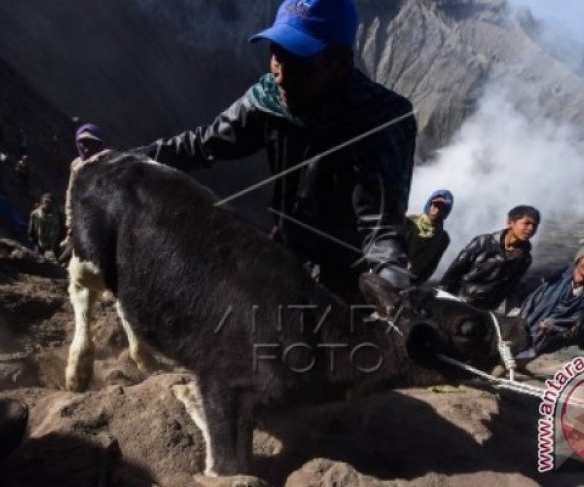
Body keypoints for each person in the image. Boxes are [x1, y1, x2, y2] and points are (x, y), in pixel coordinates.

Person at [139, 0, 416, 301]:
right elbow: (203, 145)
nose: (281, 75)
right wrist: (131, 158)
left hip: (349, 281)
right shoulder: (269, 100)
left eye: (299, 63)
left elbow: (381, 227)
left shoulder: (380, 122)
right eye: (276, 57)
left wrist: (393, 297)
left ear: (341, 63)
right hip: (288, 256)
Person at [515, 238, 584, 362]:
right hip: (518, 324)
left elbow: (571, 318)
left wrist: (552, 326)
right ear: (579, 258)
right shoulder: (553, 274)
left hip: (541, 338)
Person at [438, 205, 540, 310]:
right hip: (457, 301)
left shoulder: (524, 259)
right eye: (526, 223)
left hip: (482, 311)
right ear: (510, 223)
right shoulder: (483, 242)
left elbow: (508, 288)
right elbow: (454, 271)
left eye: (534, 225)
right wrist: (441, 299)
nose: (531, 228)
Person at [61, 123, 107, 249]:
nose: (86, 148)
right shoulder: (76, 165)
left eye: (91, 143)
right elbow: (71, 195)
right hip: (81, 220)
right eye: (83, 143)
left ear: (99, 145)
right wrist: (70, 226)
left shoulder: (108, 164)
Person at [405, 189, 453, 285]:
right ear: (429, 204)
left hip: (411, 282)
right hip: (392, 273)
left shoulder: (443, 239)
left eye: (442, 208)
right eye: (435, 205)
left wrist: (416, 285)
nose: (438, 210)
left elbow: (432, 266)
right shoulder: (410, 222)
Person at [28, 193, 62, 258]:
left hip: (54, 242)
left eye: (50, 202)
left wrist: (59, 240)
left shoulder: (57, 215)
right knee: (38, 258)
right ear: (41, 202)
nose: (48, 204)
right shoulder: (35, 214)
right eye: (46, 202)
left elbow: (62, 228)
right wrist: (33, 240)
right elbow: (31, 228)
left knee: (58, 258)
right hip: (40, 241)